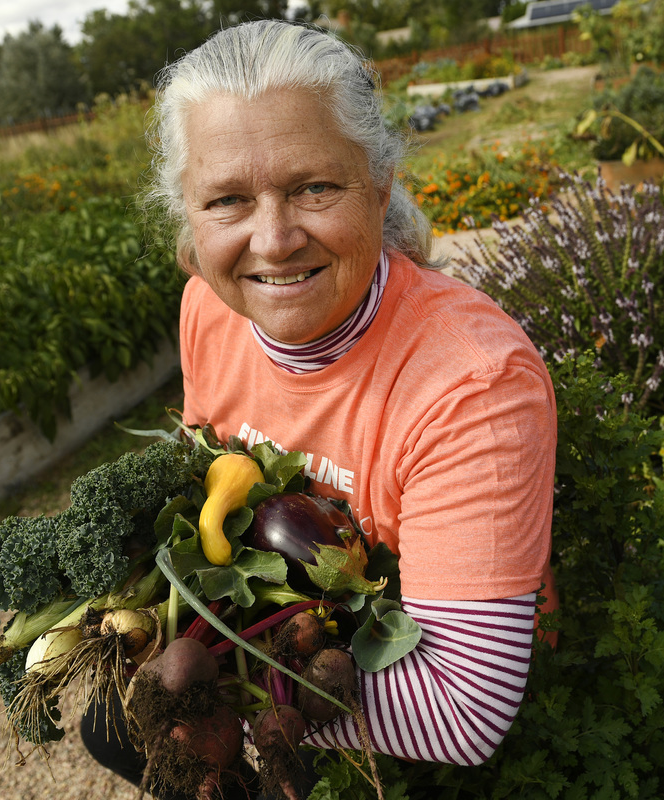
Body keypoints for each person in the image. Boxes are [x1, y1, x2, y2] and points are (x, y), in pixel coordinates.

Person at [83, 18, 557, 796]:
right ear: (188, 222)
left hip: (401, 722)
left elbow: (464, 710)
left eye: (314, 187)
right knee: (110, 728)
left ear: (379, 184)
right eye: (228, 200)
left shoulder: (472, 385)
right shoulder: (208, 308)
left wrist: (203, 698)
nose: (272, 240)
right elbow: (212, 489)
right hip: (291, 658)